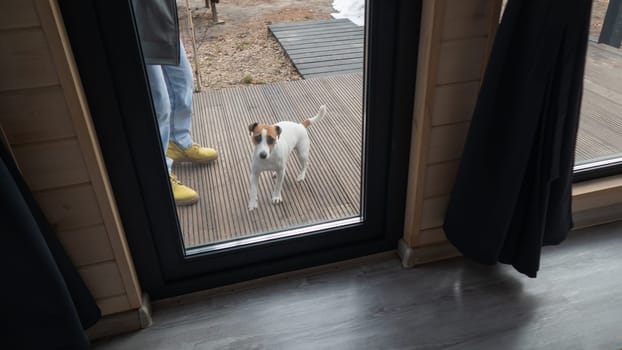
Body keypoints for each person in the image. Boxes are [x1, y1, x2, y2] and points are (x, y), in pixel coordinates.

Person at [132, 0, 217, 206]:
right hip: (134, 19)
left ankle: (178, 142)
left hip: (158, 13)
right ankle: (159, 174)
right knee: (158, 102)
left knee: (182, 81)